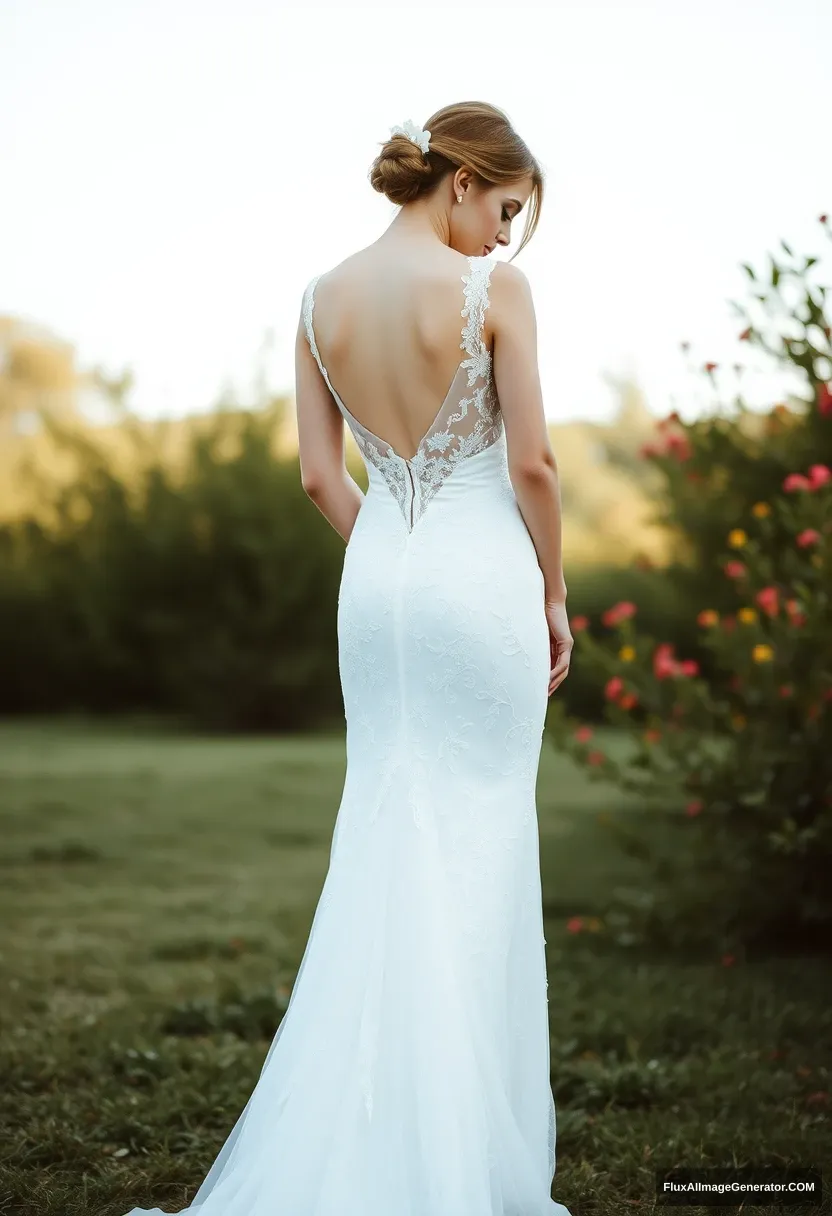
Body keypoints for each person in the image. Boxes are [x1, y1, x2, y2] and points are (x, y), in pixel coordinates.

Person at [123, 100, 573, 1216]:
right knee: (476, 836)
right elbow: (536, 470)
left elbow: (324, 482)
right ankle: (458, 1150)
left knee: (384, 823)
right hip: (481, 584)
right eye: (505, 209)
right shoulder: (492, 297)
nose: (505, 239)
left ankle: (376, 1123)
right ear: (463, 180)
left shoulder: (319, 300)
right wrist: (553, 592)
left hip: (376, 587)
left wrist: (392, 553)